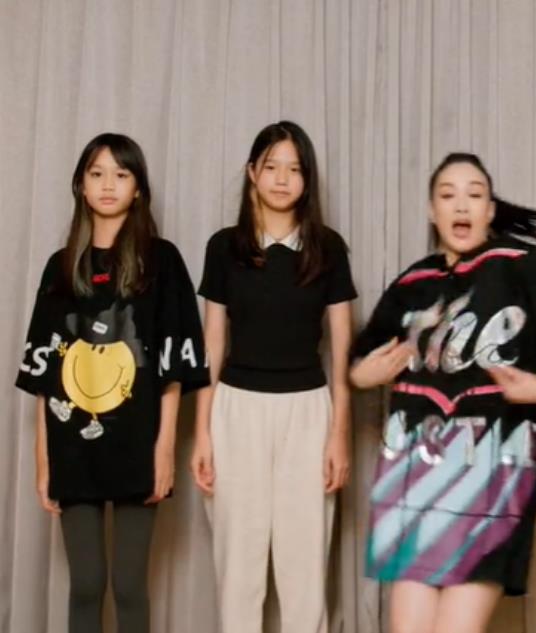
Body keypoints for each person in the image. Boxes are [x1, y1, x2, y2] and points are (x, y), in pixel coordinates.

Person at [350, 152, 536, 633]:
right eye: (448, 195)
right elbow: (357, 367)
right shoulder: (413, 283)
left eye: (474, 195)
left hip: (491, 478)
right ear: (431, 210)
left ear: (490, 209)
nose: (462, 205)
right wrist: (365, 375)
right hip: (413, 478)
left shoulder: (517, 265)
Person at [15, 133, 209, 633]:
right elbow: (44, 373)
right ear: (80, 185)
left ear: (138, 188)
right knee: (85, 584)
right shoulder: (61, 267)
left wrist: (164, 447)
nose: (108, 185)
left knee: (128, 583)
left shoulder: (162, 261)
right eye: (97, 174)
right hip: (72, 448)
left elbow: (174, 365)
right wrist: (43, 459)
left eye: (121, 175)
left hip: (138, 445)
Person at [191, 120, 357, 633]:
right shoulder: (224, 247)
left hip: (308, 411)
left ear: (307, 179)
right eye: (271, 167)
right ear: (252, 173)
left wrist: (340, 434)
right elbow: (212, 345)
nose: (282, 179)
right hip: (236, 411)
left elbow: (344, 353)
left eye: (295, 169)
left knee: (304, 569)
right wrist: (202, 432)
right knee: (238, 570)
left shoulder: (328, 248)